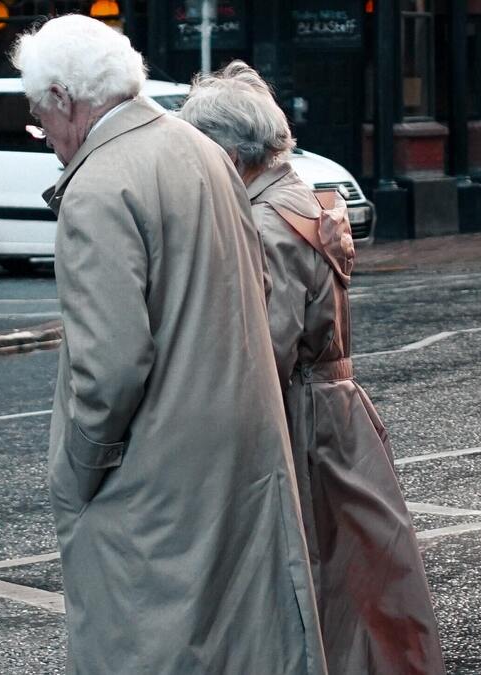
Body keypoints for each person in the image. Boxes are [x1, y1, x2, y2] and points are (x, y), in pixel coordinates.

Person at [13, 17, 327, 675]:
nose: (46, 137)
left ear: (66, 98)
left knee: (144, 644)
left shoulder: (99, 186)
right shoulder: (201, 149)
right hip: (237, 456)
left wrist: (77, 474)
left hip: (150, 481)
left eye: (40, 116)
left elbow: (110, 368)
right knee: (238, 642)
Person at [178, 61, 446, 675]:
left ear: (227, 149)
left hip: (300, 418)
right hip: (334, 411)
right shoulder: (300, 196)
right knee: (356, 579)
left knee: (313, 578)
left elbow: (264, 349)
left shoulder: (267, 220)